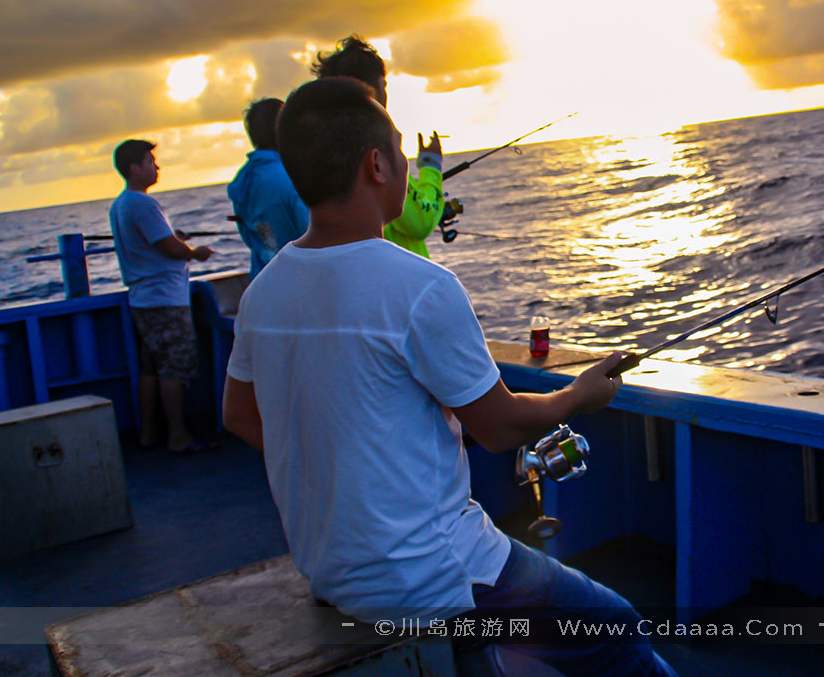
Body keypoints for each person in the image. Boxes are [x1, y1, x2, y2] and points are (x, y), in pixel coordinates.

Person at [221, 77, 675, 677]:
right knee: (616, 629)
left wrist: (345, 472)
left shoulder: (263, 291)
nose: (409, 165)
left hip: (330, 571)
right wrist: (577, 395)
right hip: (434, 577)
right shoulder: (419, 287)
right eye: (403, 152)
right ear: (377, 164)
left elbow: (240, 416)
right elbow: (500, 427)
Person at [109, 139, 214, 454]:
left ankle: (149, 434)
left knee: (151, 367)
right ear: (134, 168)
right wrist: (195, 253)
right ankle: (178, 436)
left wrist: (174, 239)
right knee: (174, 367)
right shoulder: (142, 203)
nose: (156, 167)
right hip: (164, 299)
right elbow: (168, 247)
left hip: (142, 299)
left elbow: (155, 241)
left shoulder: (120, 204)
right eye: (150, 161)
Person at [311, 34, 446, 258]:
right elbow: (420, 222)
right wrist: (431, 165)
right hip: (399, 283)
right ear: (368, 90)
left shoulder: (320, 155)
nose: (386, 94)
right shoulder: (377, 150)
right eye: (383, 85)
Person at [227, 97, 309, 278]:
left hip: (263, 280)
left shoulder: (243, 181)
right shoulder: (291, 176)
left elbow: (251, 236)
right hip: (301, 283)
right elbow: (313, 234)